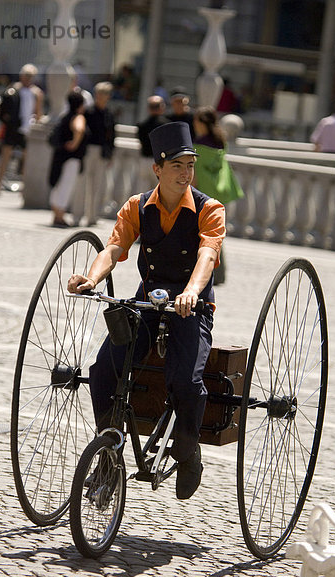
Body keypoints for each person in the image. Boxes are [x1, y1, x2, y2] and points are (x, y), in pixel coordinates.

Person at [67, 121, 225, 500]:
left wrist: (190, 291)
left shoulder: (209, 209)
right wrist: (90, 278)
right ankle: (107, 456)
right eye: (177, 166)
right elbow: (114, 249)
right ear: (158, 168)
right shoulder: (137, 206)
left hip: (192, 306)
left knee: (186, 382)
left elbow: (207, 255)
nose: (185, 174)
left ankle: (188, 453)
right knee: (104, 369)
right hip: (146, 301)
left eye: (190, 166)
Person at [193, 106, 243, 285]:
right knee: (217, 233)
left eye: (196, 121)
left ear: (202, 123)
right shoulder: (220, 141)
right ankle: (219, 274)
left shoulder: (199, 146)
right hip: (219, 192)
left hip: (203, 194)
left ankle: (203, 272)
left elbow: (195, 174)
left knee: (200, 234)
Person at [0, 63, 43, 196]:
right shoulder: (13, 89)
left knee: (27, 158)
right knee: (6, 155)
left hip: (27, 129)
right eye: (26, 75)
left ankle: (24, 187)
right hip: (13, 127)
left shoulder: (36, 93)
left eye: (30, 76)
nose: (27, 78)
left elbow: (38, 112)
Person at [72, 81, 115, 227]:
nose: (102, 96)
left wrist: (111, 155)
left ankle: (92, 216)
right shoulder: (88, 111)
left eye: (105, 94)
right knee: (82, 183)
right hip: (87, 150)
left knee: (98, 186)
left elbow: (111, 135)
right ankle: (77, 216)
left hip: (102, 152)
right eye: (100, 93)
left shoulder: (109, 114)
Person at [48, 91, 87, 227]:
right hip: (72, 158)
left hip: (60, 156)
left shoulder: (64, 116)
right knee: (66, 185)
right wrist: (75, 143)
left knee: (58, 184)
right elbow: (79, 129)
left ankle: (57, 215)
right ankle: (60, 215)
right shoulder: (78, 117)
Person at [136, 95, 168, 192]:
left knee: (143, 192)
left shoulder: (142, 125)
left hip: (145, 161)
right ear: (162, 107)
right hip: (160, 162)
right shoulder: (167, 125)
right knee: (159, 192)